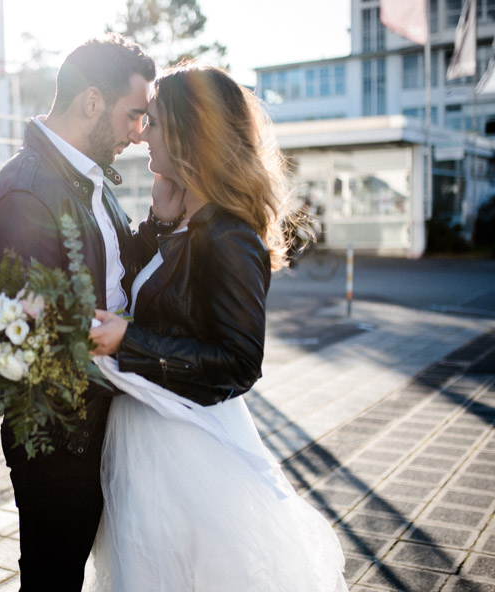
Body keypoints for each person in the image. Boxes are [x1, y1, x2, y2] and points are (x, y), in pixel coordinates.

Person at [87, 65, 349, 591]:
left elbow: (239, 362)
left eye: (155, 122)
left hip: (191, 453)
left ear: (190, 135)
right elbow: (149, 295)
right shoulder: (188, 220)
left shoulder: (230, 236)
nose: (142, 134)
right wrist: (159, 223)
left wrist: (127, 341)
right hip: (155, 439)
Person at [0, 35, 155, 591]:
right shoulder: (24, 197)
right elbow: (14, 348)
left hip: (103, 424)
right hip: (61, 441)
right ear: (92, 101)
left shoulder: (88, 177)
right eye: (133, 114)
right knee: (53, 579)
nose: (138, 131)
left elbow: (113, 278)